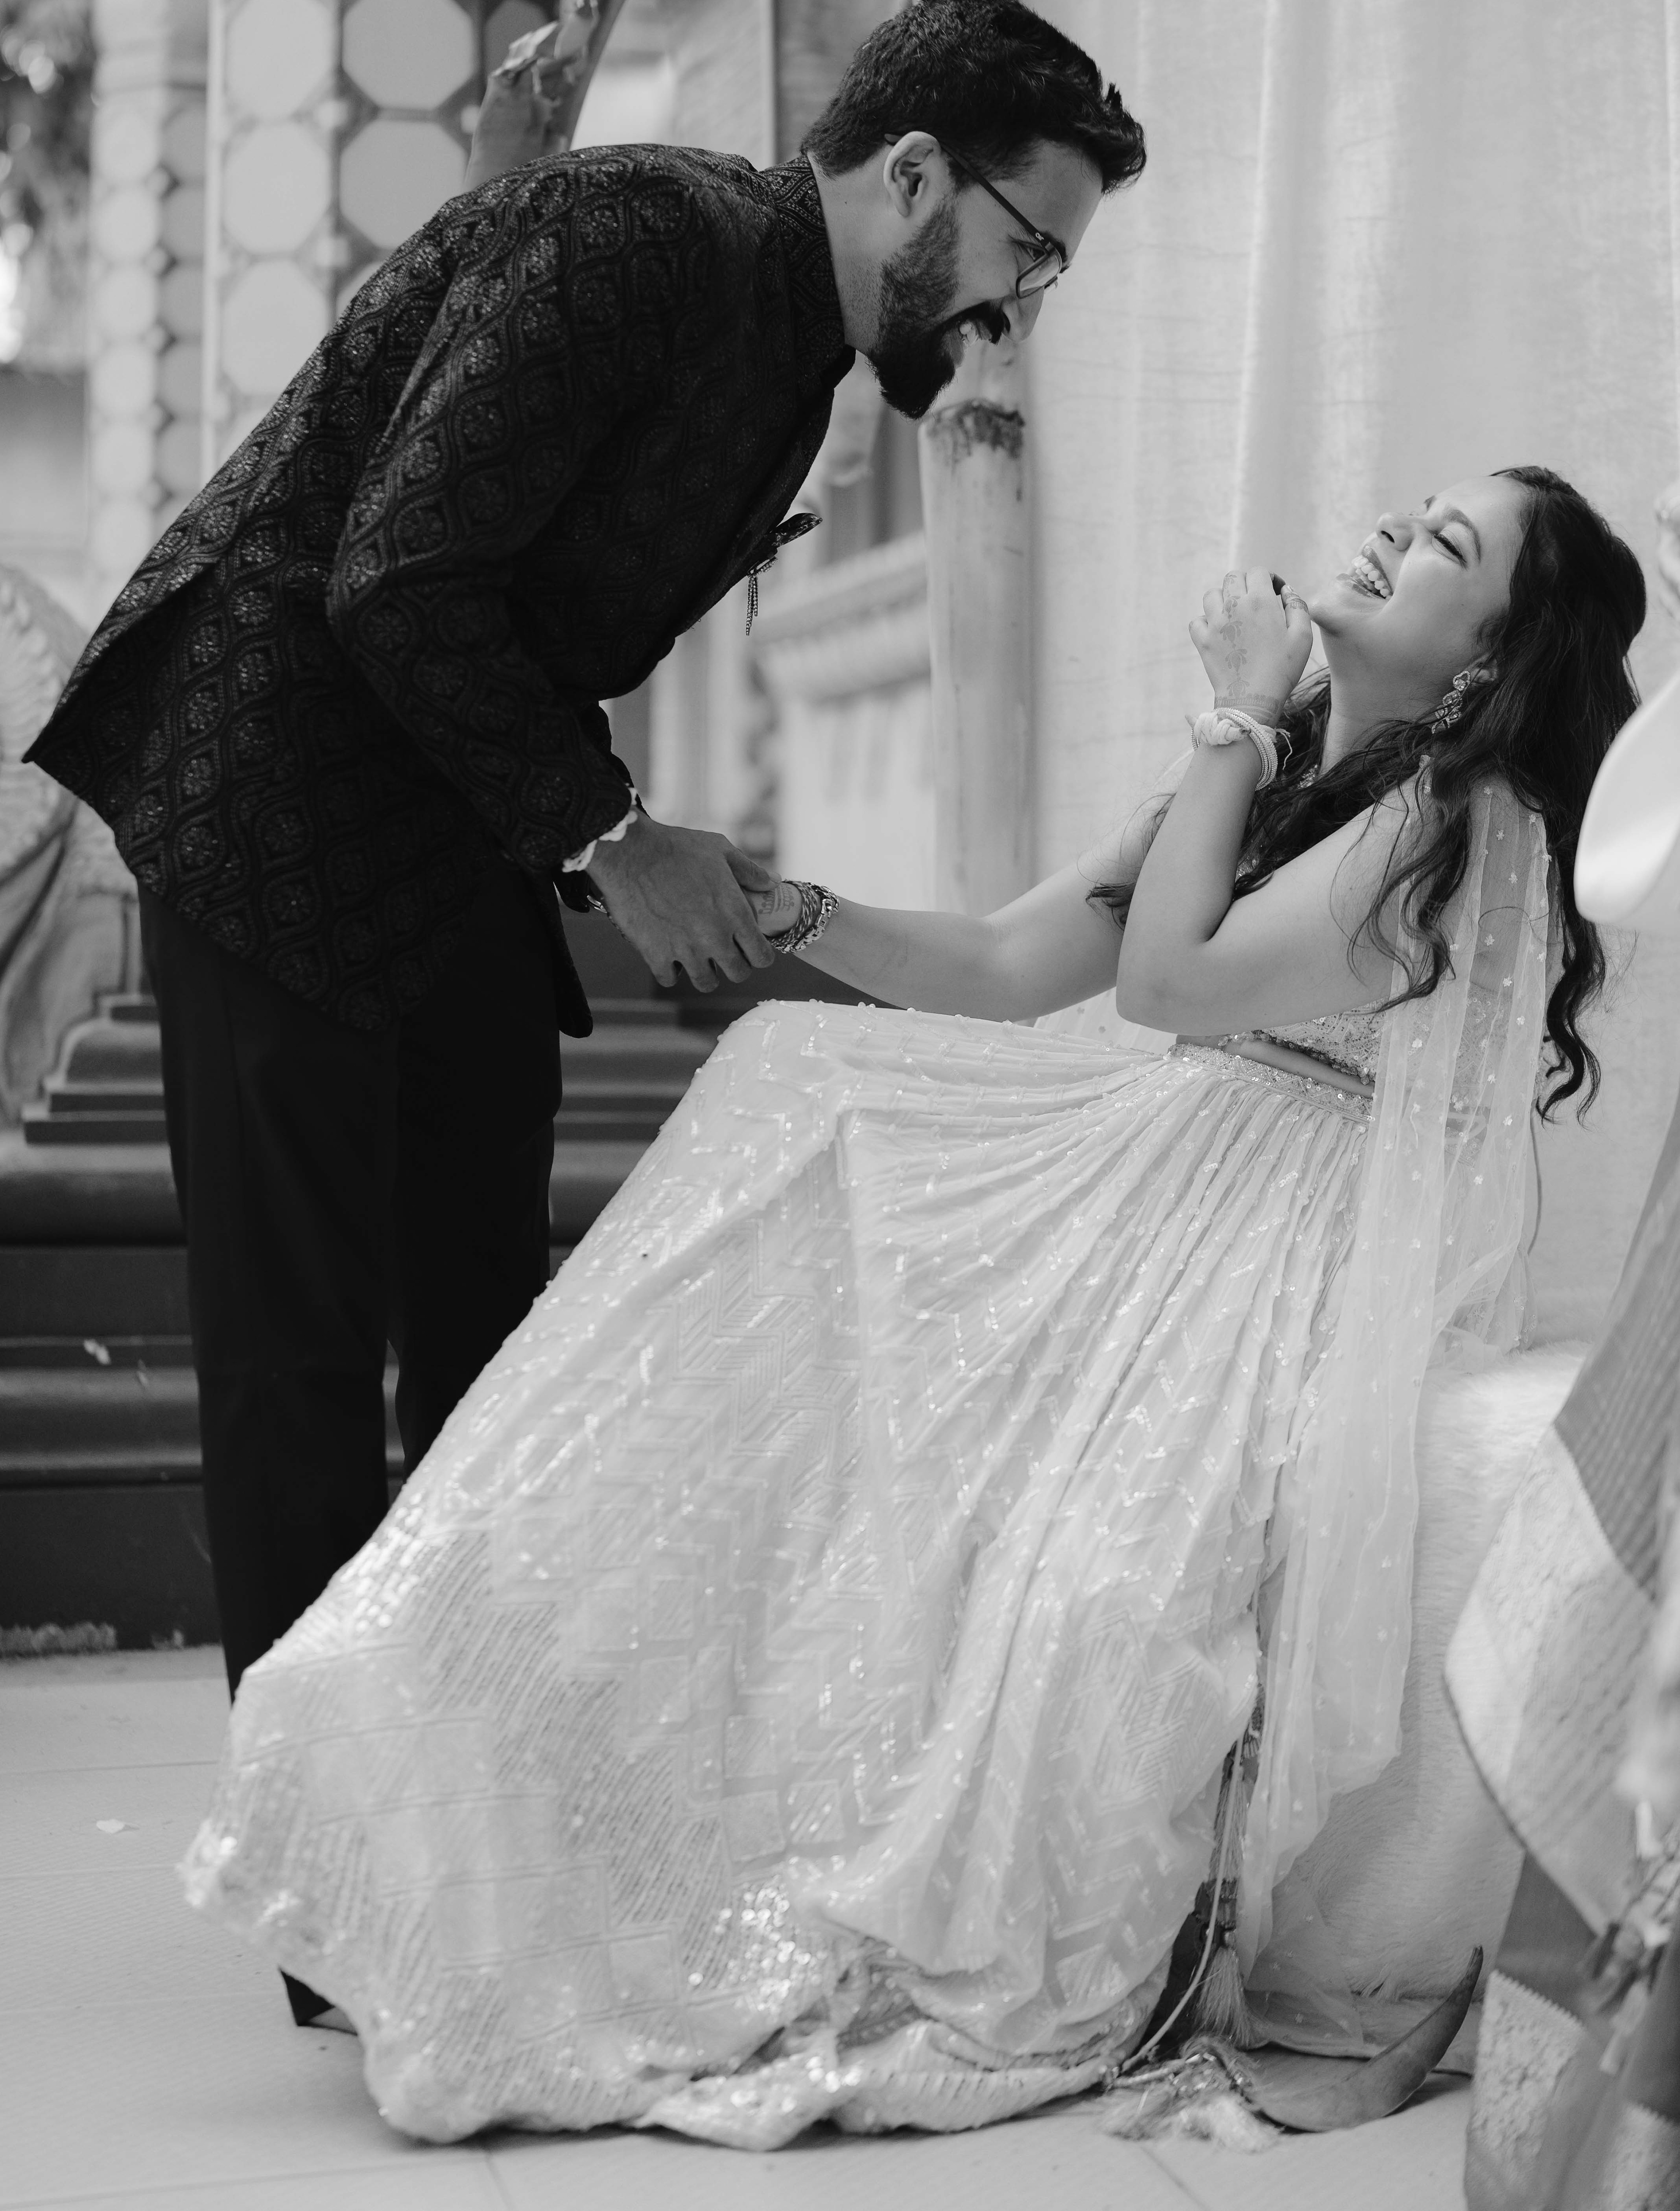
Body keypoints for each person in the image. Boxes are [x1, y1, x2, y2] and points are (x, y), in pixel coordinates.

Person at [183, 467, 1643, 2144]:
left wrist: (1234, 721)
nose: (1395, 531)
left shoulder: (1456, 822)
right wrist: (786, 911)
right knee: (800, 1085)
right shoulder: (1302, 759)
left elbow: (1167, 985)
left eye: (1448, 545)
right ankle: (469, 1695)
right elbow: (1011, 964)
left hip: (1260, 1230)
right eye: (1419, 508)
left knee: (975, 1417)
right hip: (1150, 1172)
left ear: (1487, 661)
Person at [20, 0, 1144, 2025]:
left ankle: (463, 1816)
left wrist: (602, 832)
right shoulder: (642, 236)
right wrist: (621, 838)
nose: (1022, 310)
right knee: (297, 1359)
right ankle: (337, 1905)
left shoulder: (793, 356)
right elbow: (397, 573)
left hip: (447, 829)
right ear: (914, 178)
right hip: (268, 793)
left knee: (489, 1335)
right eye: (1026, 250)